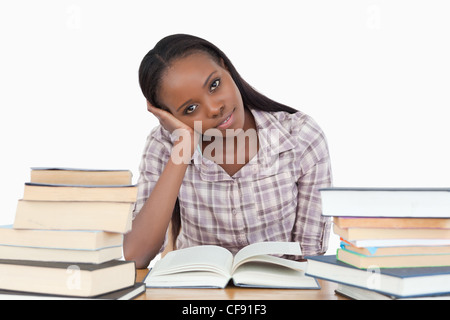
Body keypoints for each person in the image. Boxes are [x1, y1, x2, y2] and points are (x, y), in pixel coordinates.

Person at [123, 34, 332, 269]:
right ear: (169, 116)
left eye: (214, 85)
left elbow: (311, 256)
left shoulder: (300, 136)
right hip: (197, 296)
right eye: (190, 108)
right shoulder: (163, 145)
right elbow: (136, 256)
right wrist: (182, 147)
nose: (214, 109)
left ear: (225, 67)